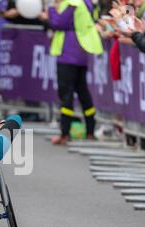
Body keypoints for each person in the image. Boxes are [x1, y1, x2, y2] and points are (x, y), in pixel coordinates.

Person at [40, 0, 104, 145]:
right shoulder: (85, 2)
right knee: (83, 92)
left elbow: (59, 24)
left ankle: (65, 133)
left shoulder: (72, 3)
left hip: (68, 53)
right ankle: (90, 131)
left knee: (66, 93)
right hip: (80, 52)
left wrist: (50, 11)